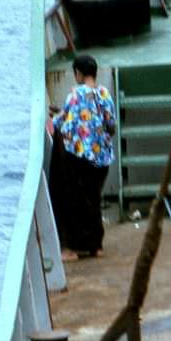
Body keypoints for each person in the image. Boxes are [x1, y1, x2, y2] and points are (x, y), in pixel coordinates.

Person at [47, 54, 116, 261]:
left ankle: (72, 249)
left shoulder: (75, 95)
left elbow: (65, 123)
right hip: (101, 158)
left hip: (78, 157)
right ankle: (96, 246)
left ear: (78, 73)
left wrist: (55, 117)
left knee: (73, 201)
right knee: (93, 200)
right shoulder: (104, 93)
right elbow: (110, 125)